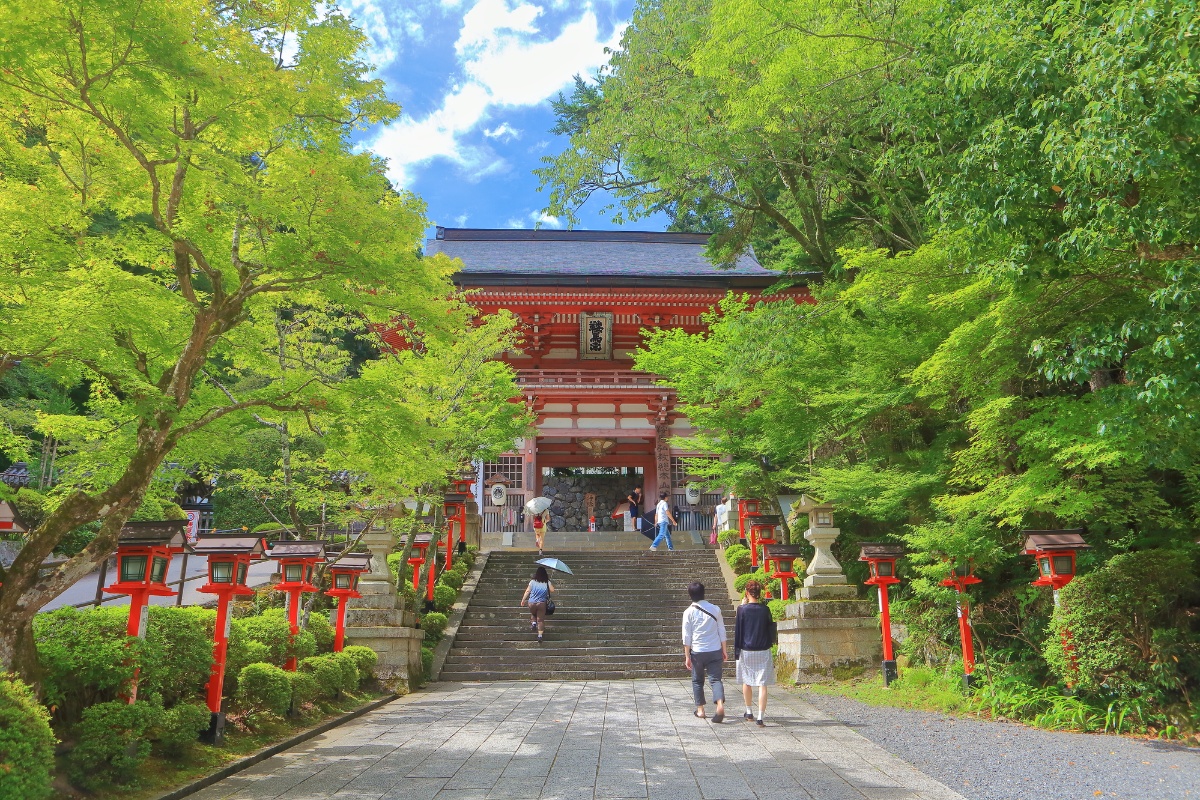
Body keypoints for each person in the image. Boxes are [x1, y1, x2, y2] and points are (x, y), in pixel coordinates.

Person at [682, 581, 727, 721]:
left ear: (690, 595)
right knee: (715, 680)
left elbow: (686, 636)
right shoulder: (715, 609)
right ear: (703, 592)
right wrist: (724, 649)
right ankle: (719, 704)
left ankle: (700, 710)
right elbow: (722, 630)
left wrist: (687, 656)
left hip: (698, 651)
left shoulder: (688, 612)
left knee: (697, 681)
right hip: (714, 650)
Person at [734, 580, 777, 726]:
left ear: (747, 592)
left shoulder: (742, 609)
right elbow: (771, 630)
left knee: (747, 681)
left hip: (746, 649)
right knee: (762, 684)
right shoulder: (765, 610)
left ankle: (749, 711)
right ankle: (760, 717)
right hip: (763, 649)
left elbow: (738, 631)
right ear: (760, 593)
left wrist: (736, 651)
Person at [520, 565, 555, 643]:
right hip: (542, 603)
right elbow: (552, 590)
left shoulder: (532, 582)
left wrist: (523, 600)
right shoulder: (547, 582)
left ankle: (533, 623)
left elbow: (527, 591)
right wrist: (549, 583)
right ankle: (539, 636)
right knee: (541, 620)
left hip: (531, 602)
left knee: (533, 613)